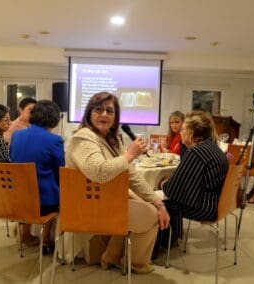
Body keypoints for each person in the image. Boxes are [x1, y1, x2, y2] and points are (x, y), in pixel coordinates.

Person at [65, 92, 170, 274]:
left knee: (153, 206)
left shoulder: (112, 139)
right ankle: (134, 262)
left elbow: (131, 175)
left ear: (115, 118)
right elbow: (99, 172)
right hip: (89, 205)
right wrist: (129, 154)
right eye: (99, 109)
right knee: (151, 215)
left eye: (109, 111)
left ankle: (112, 256)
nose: (104, 114)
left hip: (106, 200)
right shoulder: (83, 137)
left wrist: (157, 201)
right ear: (90, 113)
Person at [160, 111, 229, 239]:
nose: (180, 132)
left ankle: (168, 241)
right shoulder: (212, 147)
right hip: (217, 204)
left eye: (182, 129)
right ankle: (173, 237)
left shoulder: (196, 152)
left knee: (158, 203)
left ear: (191, 133)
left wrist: (163, 184)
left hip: (205, 208)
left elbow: (173, 191)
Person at [10, 100, 65, 254]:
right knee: (55, 190)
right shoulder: (54, 140)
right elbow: (60, 169)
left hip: (18, 196)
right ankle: (46, 239)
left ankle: (25, 234)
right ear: (53, 119)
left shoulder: (17, 136)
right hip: (44, 201)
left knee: (34, 186)